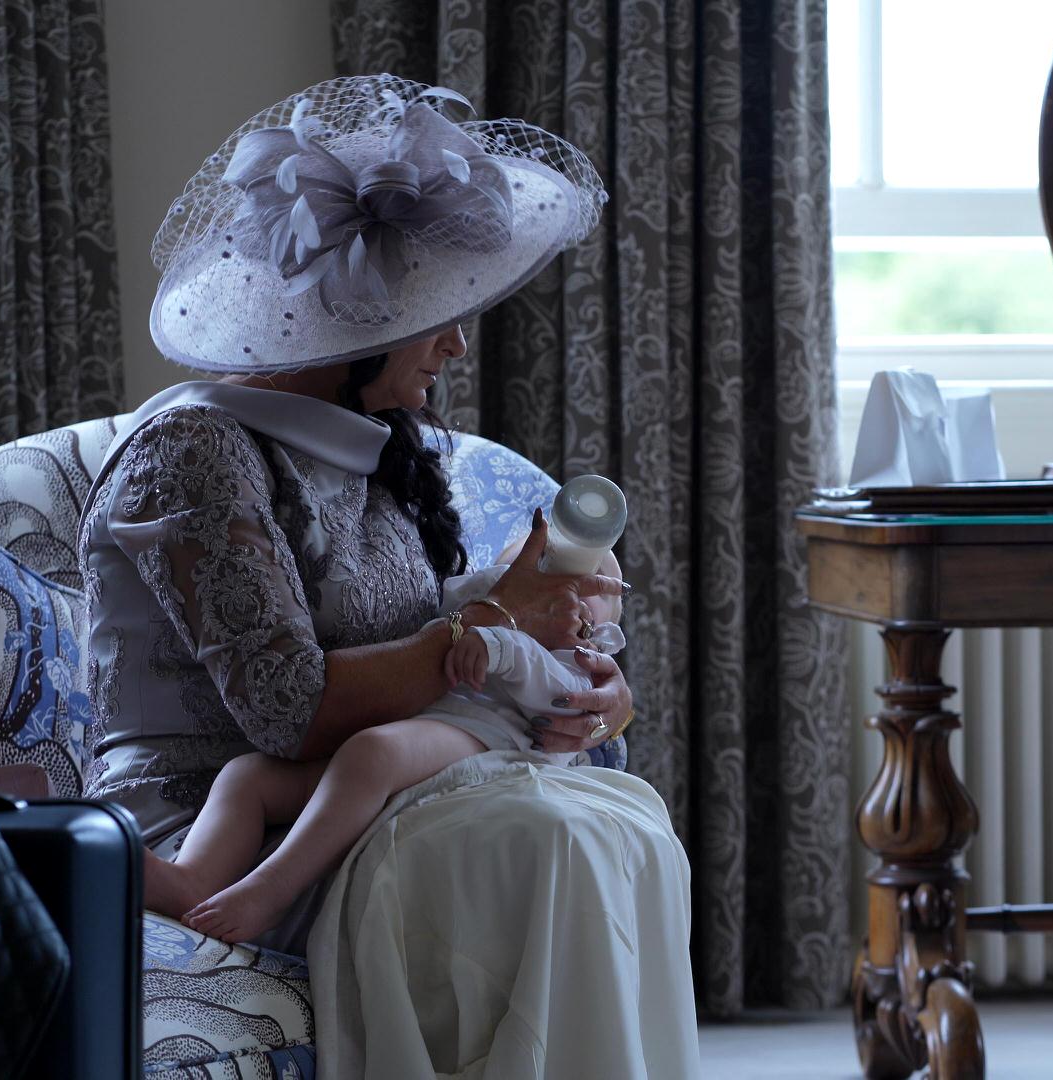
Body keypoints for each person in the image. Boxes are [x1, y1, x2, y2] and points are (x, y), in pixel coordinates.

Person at [77, 74, 698, 1076]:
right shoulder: (195, 450)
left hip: (374, 783)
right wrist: (499, 621)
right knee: (544, 844)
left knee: (614, 824)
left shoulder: (379, 447)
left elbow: (432, 660)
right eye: (434, 315)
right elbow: (287, 709)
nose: (456, 343)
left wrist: (590, 692)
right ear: (347, 322)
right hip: (240, 819)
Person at [144, 544, 627, 943]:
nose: (565, 581)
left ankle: (271, 891)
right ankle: (195, 877)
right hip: (424, 722)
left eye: (594, 579)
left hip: (489, 741)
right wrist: (497, 612)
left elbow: (564, 697)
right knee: (249, 776)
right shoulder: (483, 609)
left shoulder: (585, 652)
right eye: (541, 561)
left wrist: (503, 643)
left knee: (372, 754)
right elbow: (449, 625)